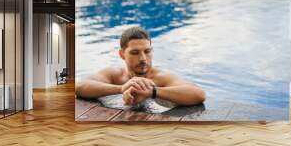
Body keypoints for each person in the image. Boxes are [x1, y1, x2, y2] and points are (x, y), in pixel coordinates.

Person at [75, 26, 206, 106]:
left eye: (147, 51)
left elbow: (199, 94)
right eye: (135, 53)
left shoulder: (161, 78)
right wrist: (121, 88)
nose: (143, 58)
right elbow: (80, 86)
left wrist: (152, 92)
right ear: (122, 54)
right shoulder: (115, 75)